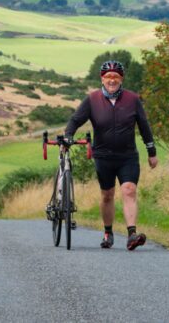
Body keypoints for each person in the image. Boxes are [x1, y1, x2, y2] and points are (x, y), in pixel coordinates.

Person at [64, 60, 158, 250]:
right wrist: (68, 136)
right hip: (103, 156)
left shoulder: (132, 99)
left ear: (121, 78)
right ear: (102, 78)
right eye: (108, 77)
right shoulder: (92, 99)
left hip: (127, 156)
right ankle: (108, 232)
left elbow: (144, 126)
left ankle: (132, 234)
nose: (112, 80)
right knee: (107, 195)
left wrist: (152, 152)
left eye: (115, 76)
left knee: (129, 190)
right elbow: (76, 120)